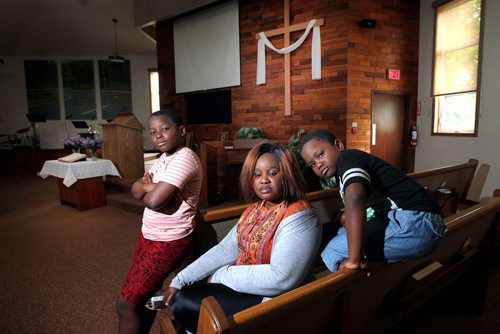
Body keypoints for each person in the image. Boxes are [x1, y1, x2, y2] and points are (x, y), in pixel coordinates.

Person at [162, 143, 321, 333]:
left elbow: (282, 278)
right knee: (185, 295)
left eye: (272, 173)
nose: (263, 180)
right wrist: (180, 280)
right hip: (246, 286)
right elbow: (225, 249)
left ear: (287, 174)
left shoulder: (300, 216)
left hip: (276, 300)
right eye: (257, 174)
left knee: (185, 303)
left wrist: (221, 275)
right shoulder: (255, 210)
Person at [300, 129, 445, 272]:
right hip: (422, 223)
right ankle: (368, 265)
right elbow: (372, 205)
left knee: (333, 252)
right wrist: (346, 218)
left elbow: (356, 198)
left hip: (416, 224)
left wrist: (354, 260)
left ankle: (360, 275)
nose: (318, 164)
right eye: (312, 164)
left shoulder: (348, 158)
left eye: (320, 154)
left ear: (338, 145)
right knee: (342, 233)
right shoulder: (344, 171)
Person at [116, 109, 203, 334]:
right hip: (149, 234)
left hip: (169, 240)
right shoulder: (164, 158)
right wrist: (152, 188)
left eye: (165, 128)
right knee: (145, 295)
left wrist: (149, 188)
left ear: (181, 130)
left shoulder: (184, 158)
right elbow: (134, 189)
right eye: (153, 132)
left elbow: (153, 202)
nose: (159, 136)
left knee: (125, 303)